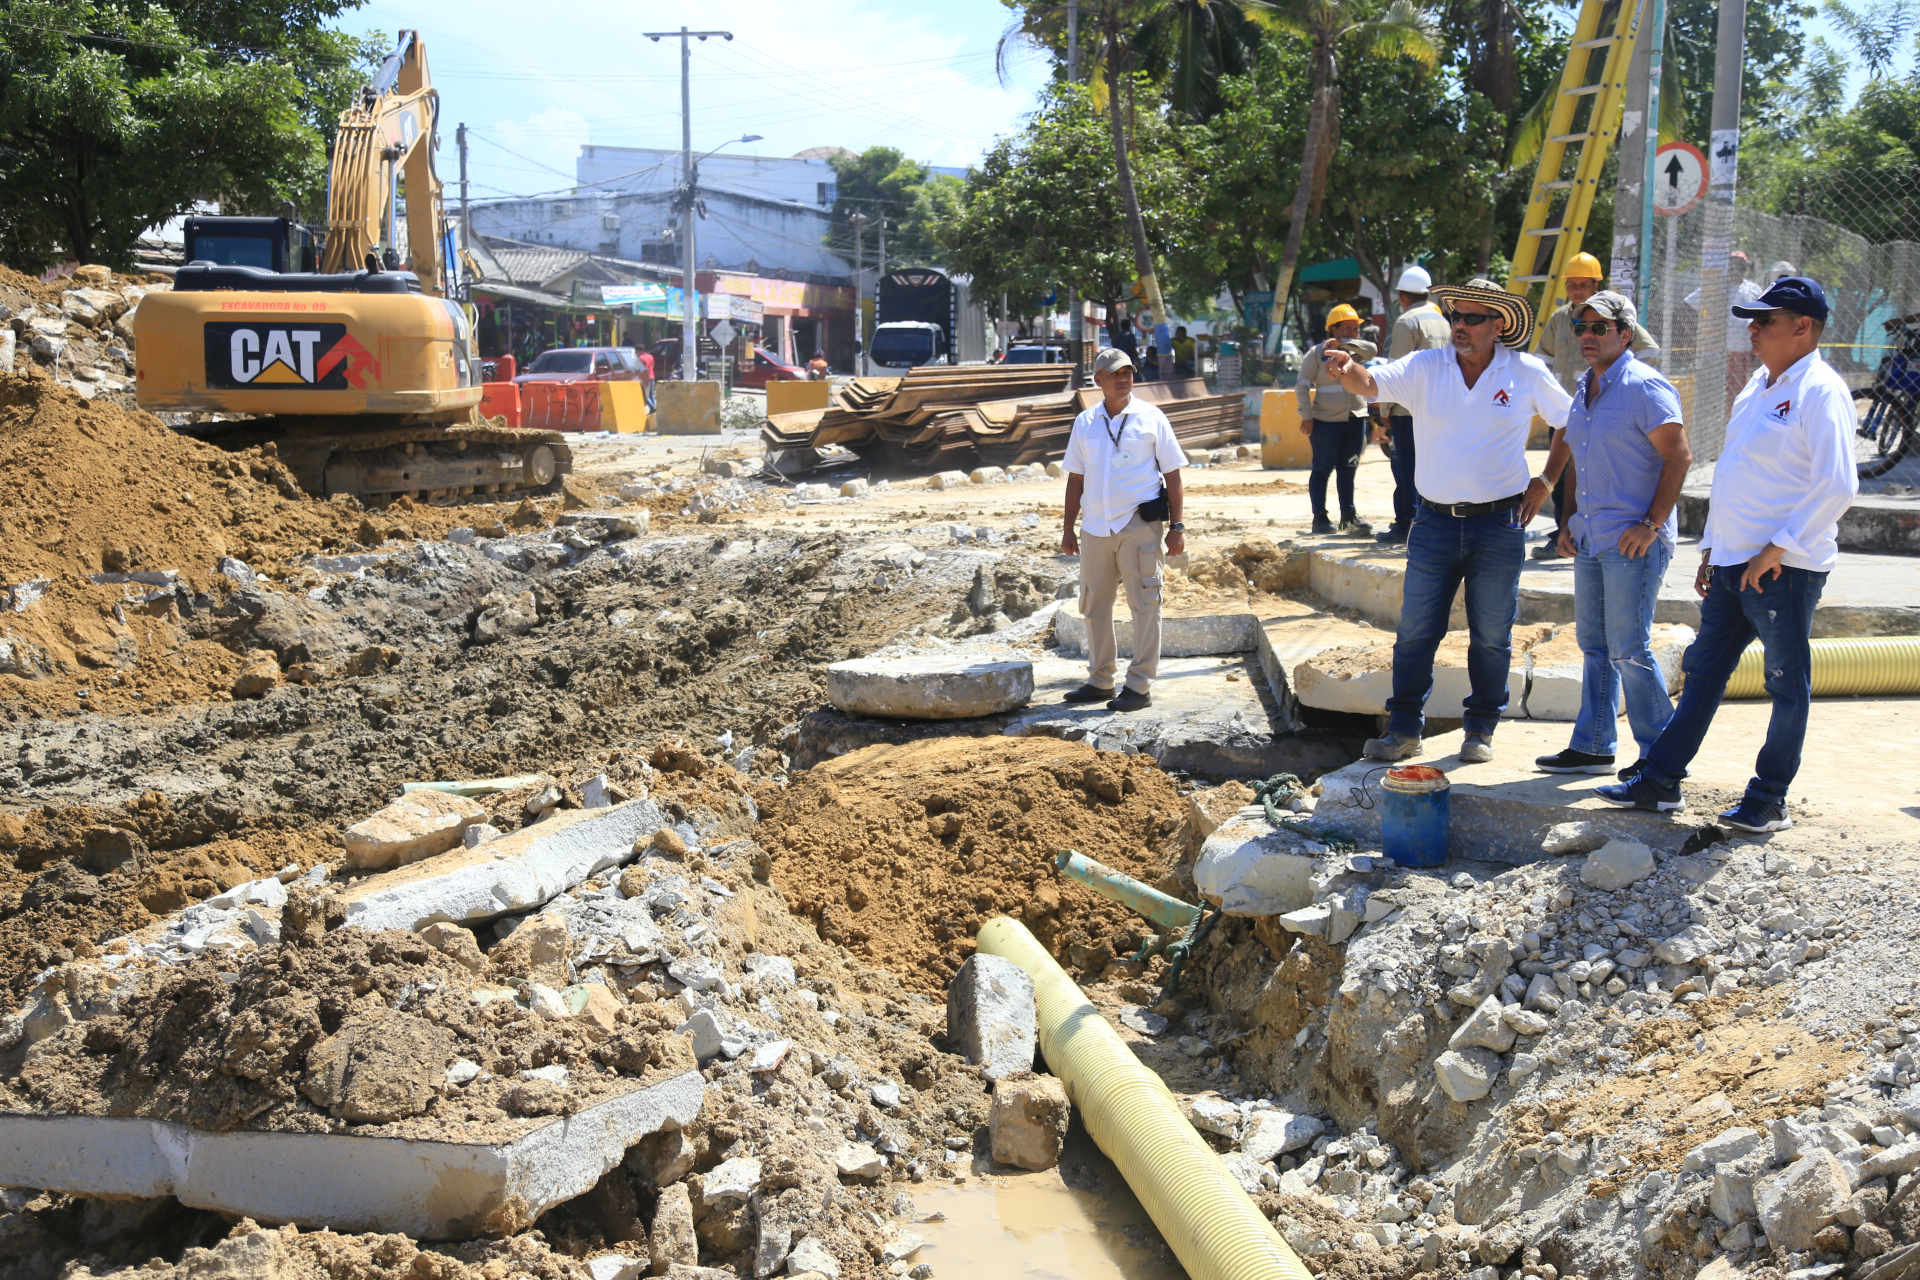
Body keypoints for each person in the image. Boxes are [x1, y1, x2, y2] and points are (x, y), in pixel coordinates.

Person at [1598, 277, 1858, 831]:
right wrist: (1713, 548)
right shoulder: (1757, 388)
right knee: (1704, 671)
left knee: (1786, 683)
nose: (1753, 329)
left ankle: (1768, 800)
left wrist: (1777, 548)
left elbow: (1837, 484)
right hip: (1735, 561)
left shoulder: (1821, 390)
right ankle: (1660, 780)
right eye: (1753, 319)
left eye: (1765, 320)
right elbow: (1735, 476)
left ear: (1803, 327)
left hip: (1784, 567)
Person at [1323, 278, 1572, 763]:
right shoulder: (1426, 366)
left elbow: (1570, 419)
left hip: (1499, 526)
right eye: (1456, 317)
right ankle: (1403, 730)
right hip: (1433, 524)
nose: (1460, 326)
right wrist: (1346, 368)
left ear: (1498, 326)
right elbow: (1371, 385)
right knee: (1416, 630)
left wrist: (1546, 480)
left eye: (1472, 318)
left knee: (1492, 634)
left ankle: (1480, 729)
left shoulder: (1525, 372)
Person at [1528, 290, 1693, 775]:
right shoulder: (1587, 387)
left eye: (1600, 328)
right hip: (1593, 535)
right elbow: (1577, 449)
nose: (1587, 336)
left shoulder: (1644, 386)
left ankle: (1661, 760)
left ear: (1625, 334)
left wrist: (1651, 524)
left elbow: (1679, 457)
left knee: (1628, 646)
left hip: (1633, 539)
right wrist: (1568, 521)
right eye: (1582, 328)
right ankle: (1595, 744)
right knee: (1595, 644)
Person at [1059, 347, 1188, 713]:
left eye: (1128, 372)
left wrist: (1176, 526)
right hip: (1096, 526)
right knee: (1094, 604)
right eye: (1115, 373)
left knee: (1146, 603)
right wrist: (1069, 528)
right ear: (1098, 379)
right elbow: (1075, 478)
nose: (1124, 378)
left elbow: (1174, 474)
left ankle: (1139, 686)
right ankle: (1101, 679)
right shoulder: (1085, 422)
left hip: (1139, 524)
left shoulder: (1152, 418)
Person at [1532, 252, 1663, 561]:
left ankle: (1596, 534)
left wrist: (1619, 382)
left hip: (1604, 411)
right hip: (1568, 412)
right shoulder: (1560, 319)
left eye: (1583, 284)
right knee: (1563, 474)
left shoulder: (1615, 318)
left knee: (1594, 473)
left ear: (1596, 284)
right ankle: (1562, 534)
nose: (1577, 291)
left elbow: (1649, 351)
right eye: (1572, 285)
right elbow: (1541, 359)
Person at [1373, 265, 1453, 546]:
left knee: (1406, 469)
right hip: (1439, 408)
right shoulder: (1443, 321)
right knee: (1432, 467)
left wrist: (1384, 412)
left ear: (1403, 296)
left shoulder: (1406, 322)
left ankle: (1405, 524)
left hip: (1407, 410)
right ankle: (1431, 523)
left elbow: (1396, 372)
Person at [1294, 303, 1378, 535]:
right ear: (1334, 329)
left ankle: (1348, 518)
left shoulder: (1357, 350)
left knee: (1348, 468)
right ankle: (1320, 519)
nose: (1354, 333)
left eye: (1356, 329)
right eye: (1349, 328)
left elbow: (1372, 349)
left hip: (1355, 418)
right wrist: (1307, 415)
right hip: (1325, 422)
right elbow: (1301, 387)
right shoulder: (1316, 354)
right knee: (1322, 470)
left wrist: (1346, 344)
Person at [1687, 250, 1764, 402]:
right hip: (1716, 349)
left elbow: (1763, 315)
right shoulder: (1716, 286)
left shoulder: (1753, 289)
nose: (1736, 268)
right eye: (1733, 264)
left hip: (1743, 349)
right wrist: (1694, 331)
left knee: (1739, 389)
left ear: (1745, 268)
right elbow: (1689, 305)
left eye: (1740, 265)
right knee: (1714, 390)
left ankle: (1732, 419)